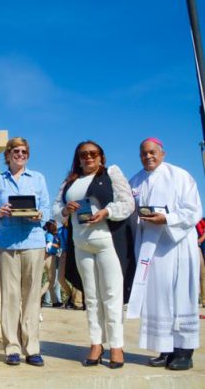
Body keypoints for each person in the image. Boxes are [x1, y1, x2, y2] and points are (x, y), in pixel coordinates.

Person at [53, 140, 135, 369]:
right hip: (81, 244)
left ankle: (116, 345)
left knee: (111, 295)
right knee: (91, 297)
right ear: (78, 158)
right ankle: (96, 343)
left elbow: (128, 203)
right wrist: (64, 211)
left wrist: (106, 211)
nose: (88, 157)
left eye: (93, 153)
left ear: (101, 156)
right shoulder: (70, 181)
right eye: (83, 154)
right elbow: (56, 211)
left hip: (106, 242)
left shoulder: (111, 173)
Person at [127, 137, 201, 370]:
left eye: (152, 152)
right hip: (151, 249)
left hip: (175, 245)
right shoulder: (136, 181)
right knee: (157, 299)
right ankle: (166, 349)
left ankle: (184, 352)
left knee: (179, 297)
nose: (148, 156)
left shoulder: (179, 176)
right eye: (143, 153)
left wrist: (167, 219)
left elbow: (193, 210)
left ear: (162, 153)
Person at [0, 137, 50, 367]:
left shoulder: (39, 179)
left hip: (33, 242)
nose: (20, 155)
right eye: (15, 151)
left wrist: (40, 215)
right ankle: (12, 347)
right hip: (7, 244)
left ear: (28, 155)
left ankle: (32, 348)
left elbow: (47, 208)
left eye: (24, 151)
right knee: (10, 297)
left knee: (32, 297)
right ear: (8, 154)